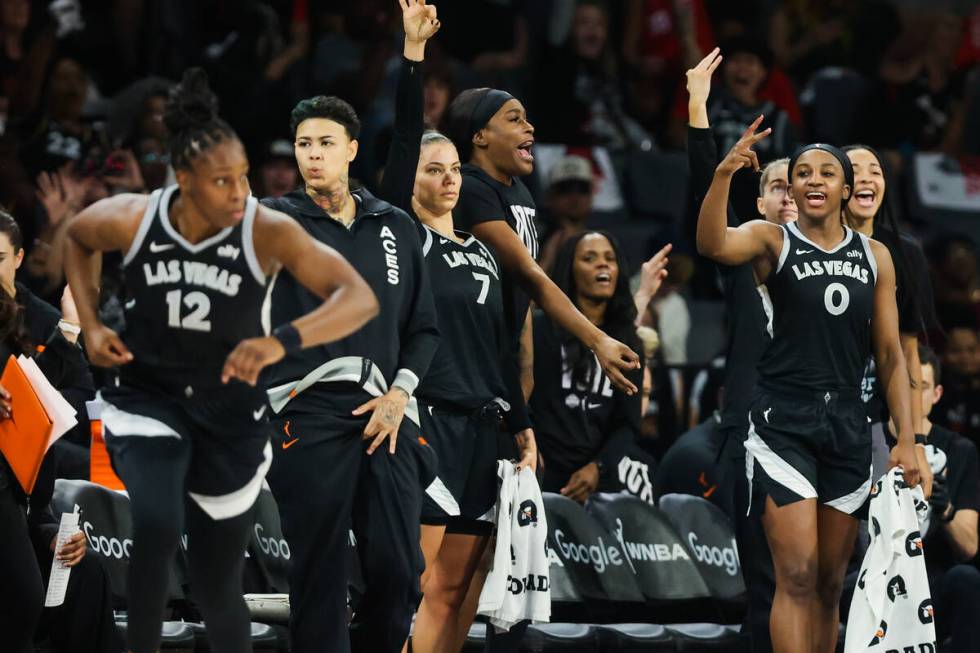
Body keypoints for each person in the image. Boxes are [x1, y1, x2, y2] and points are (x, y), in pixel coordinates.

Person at [62, 68, 379, 653]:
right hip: (149, 396)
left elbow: (358, 296)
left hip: (229, 412)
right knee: (157, 524)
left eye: (243, 178)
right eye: (222, 181)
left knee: (215, 583)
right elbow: (78, 237)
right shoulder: (136, 217)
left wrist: (281, 340)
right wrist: (93, 323)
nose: (239, 192)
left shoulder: (265, 230)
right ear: (184, 180)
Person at [696, 125, 920, 653]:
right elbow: (711, 243)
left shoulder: (876, 257)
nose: (813, 180)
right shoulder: (771, 239)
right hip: (783, 422)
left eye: (826, 173)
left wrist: (905, 439)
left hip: (847, 424)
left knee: (827, 583)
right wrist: (725, 172)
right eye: (802, 173)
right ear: (791, 190)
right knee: (794, 575)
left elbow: (889, 355)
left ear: (846, 189)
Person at [377, 4, 536, 651]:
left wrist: (523, 421)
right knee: (418, 586)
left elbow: (501, 347)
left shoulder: (480, 248)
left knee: (463, 596)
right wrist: (414, 58)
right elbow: (403, 146)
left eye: (452, 170)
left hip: (486, 428)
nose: (445, 179)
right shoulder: (405, 235)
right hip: (430, 420)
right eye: (431, 168)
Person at [260, 87, 441, 653]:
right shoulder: (272, 223)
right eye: (303, 144)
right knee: (320, 577)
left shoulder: (395, 225)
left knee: (397, 569)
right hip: (306, 412)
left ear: (352, 150)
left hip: (386, 412)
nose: (312, 154)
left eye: (325, 143)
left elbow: (424, 330)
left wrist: (400, 394)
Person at [684, 49, 795, 651]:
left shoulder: (835, 268)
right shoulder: (742, 263)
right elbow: (707, 200)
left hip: (819, 438)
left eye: (794, 187)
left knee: (816, 583)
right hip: (751, 436)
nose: (785, 196)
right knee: (767, 584)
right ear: (757, 205)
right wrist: (699, 107)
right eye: (774, 186)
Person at [842, 144, 937, 481]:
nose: (867, 177)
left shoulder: (905, 252)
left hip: (876, 425)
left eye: (876, 171)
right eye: (855, 169)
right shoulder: (808, 248)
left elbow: (908, 354)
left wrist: (916, 444)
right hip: (814, 417)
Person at [534, 231, 644, 502]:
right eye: (589, 258)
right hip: (538, 473)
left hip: (598, 483)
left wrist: (599, 467)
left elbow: (627, 424)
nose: (603, 264)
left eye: (610, 258)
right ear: (569, 270)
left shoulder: (628, 341)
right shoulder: (539, 330)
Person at [915, 345, 980, 652]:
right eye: (907, 386)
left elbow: (969, 547)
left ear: (937, 394)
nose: (913, 396)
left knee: (966, 579)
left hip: (930, 583)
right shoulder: (867, 442)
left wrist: (946, 508)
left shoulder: (959, 449)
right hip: (870, 580)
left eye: (922, 387)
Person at [537, 154, 594, 275]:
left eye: (582, 189)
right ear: (549, 197)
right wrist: (547, 261)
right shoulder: (532, 239)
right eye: (565, 190)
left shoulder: (604, 241)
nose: (575, 197)